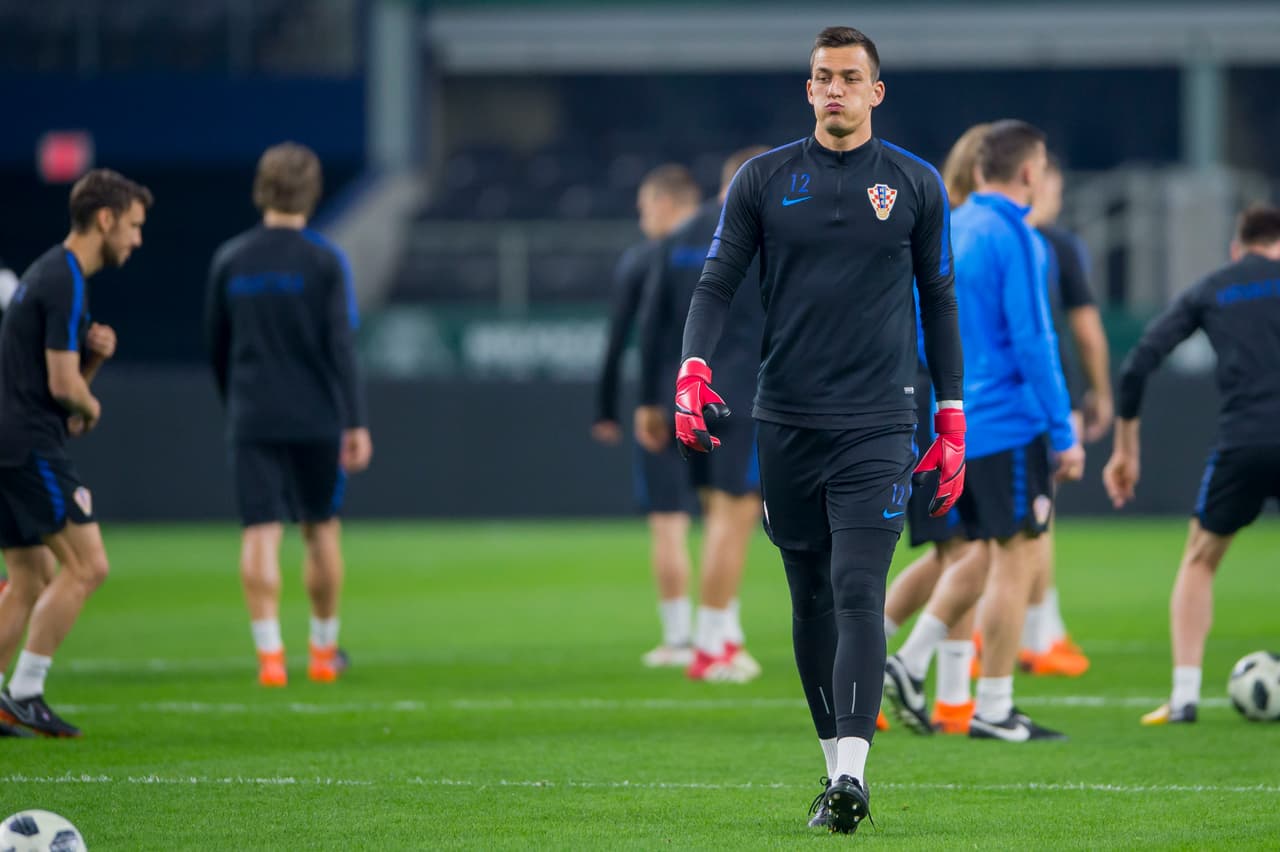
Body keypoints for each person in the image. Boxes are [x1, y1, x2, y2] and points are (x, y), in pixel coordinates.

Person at [675, 26, 964, 833]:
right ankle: (834, 766)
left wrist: (951, 410)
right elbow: (716, 282)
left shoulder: (914, 183)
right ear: (808, 91)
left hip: (879, 422)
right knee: (807, 595)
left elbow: (939, 300)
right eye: (821, 78)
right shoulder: (763, 180)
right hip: (786, 419)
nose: (833, 89)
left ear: (876, 92)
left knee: (858, 588)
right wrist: (692, 368)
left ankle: (855, 779)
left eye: (849, 77)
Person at [883, 120, 1084, 743]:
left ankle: (910, 666)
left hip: (951, 422)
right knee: (1014, 558)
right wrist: (1061, 428)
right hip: (1007, 422)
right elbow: (1034, 339)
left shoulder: (949, 225)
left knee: (971, 555)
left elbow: (920, 327)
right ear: (1029, 172)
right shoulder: (1017, 235)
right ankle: (991, 705)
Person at [1103, 204, 1280, 726]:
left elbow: (1137, 364)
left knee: (1200, 559)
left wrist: (1126, 445)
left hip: (1242, 441)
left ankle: (1183, 697)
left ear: (1236, 248)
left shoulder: (1214, 288)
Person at [205, 142, 371, 688]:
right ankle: (323, 652)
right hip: (316, 416)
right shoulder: (324, 261)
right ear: (312, 191)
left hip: (253, 412)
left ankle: (270, 656)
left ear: (262, 189)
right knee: (321, 530)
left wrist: (238, 405)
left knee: (260, 533)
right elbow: (341, 347)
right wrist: (355, 421)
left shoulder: (230, 259)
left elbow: (217, 346)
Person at [0, 168, 152, 737]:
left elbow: (53, 379)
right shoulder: (63, 278)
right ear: (105, 219)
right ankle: (26, 691)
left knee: (31, 573)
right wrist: (92, 403)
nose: (137, 240)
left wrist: (95, 361)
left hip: (11, 440)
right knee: (89, 566)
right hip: (26, 443)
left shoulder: (55, 276)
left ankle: (6, 697)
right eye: (133, 226)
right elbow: (63, 389)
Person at [636, 147, 769, 682]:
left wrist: (649, 399)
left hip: (688, 396)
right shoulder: (767, 234)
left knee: (717, 516)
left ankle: (726, 635)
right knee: (733, 523)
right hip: (744, 393)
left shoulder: (680, 237)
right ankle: (712, 645)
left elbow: (651, 325)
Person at [882, 123, 989, 736]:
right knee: (970, 552)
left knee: (955, 552)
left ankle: (949, 699)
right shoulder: (960, 232)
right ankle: (890, 673)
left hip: (937, 394)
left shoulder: (946, 224)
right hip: (937, 397)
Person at [592, 164, 704, 667]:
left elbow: (621, 340)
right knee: (729, 517)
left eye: (644, 206)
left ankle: (680, 638)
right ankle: (725, 633)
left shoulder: (645, 259)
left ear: (664, 204)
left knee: (669, 522)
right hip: (731, 401)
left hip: (667, 405)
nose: (642, 216)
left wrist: (611, 407)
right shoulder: (732, 250)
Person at [1015, 153, 1114, 677]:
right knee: (1035, 516)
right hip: (1039, 398)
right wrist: (1097, 391)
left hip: (972, 398)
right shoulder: (1051, 245)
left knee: (987, 526)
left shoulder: (964, 234)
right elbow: (1084, 329)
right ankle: (1038, 632)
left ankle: (1025, 628)